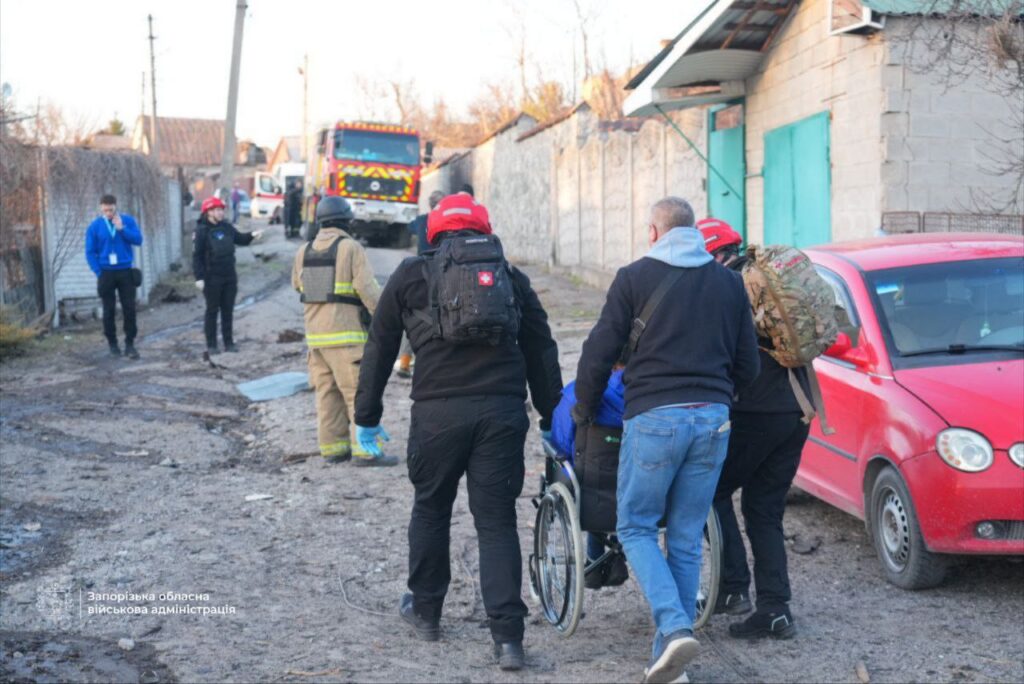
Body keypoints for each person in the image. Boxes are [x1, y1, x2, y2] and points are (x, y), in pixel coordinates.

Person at [354, 193, 562, 671]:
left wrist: (367, 414)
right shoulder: (509, 275)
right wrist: (552, 415)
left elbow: (380, 346)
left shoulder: (411, 274)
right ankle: (508, 639)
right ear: (483, 229)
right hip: (501, 413)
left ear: (433, 231)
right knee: (496, 521)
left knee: (431, 508)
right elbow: (541, 346)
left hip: (437, 415)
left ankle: (426, 612)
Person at [574, 197, 759, 684]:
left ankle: (675, 625)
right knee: (685, 537)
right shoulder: (729, 283)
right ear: (693, 231)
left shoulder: (633, 277)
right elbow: (749, 364)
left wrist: (584, 410)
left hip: (654, 417)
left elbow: (598, 352)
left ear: (655, 232)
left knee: (635, 527)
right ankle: (671, 663)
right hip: (713, 419)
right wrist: (719, 397)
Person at [700, 217, 809, 640]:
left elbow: (728, 355)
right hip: (798, 410)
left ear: (713, 254)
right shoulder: (768, 280)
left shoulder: (729, 288)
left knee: (709, 491)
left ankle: (732, 589)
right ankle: (775, 609)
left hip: (757, 411)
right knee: (764, 509)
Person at [291, 196, 391, 466]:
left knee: (327, 396)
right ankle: (366, 452)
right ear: (347, 221)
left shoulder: (304, 250)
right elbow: (367, 289)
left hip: (316, 341)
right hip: (347, 339)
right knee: (358, 395)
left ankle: (334, 449)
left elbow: (298, 286)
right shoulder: (350, 248)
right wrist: (385, 317)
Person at [550, 366, 629, 589]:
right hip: (637, 490)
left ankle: (594, 560)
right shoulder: (651, 395)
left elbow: (560, 443)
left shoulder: (576, 394)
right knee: (617, 479)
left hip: (592, 493)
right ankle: (612, 552)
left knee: (587, 474)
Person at [193, 196, 263, 354]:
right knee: (212, 311)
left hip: (229, 276)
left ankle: (229, 343)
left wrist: (252, 235)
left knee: (228, 310)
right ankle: (212, 345)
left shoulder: (226, 227)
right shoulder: (201, 231)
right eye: (217, 210)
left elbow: (240, 239)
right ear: (209, 212)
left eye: (221, 210)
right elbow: (197, 256)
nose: (220, 213)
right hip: (211, 278)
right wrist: (199, 277)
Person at [85, 194, 143, 359]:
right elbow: (90, 252)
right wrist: (98, 271)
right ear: (101, 208)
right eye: (105, 210)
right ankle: (113, 344)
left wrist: (122, 229)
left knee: (129, 308)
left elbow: (138, 240)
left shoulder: (127, 220)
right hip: (106, 272)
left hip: (125, 271)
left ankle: (130, 344)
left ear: (116, 206)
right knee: (108, 310)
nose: (109, 213)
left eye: (111, 210)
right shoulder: (95, 226)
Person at [396, 190, 446, 379]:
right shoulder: (445, 221)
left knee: (414, 314)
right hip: (441, 272)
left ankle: (405, 361)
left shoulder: (421, 220)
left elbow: (410, 227)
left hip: (419, 272)